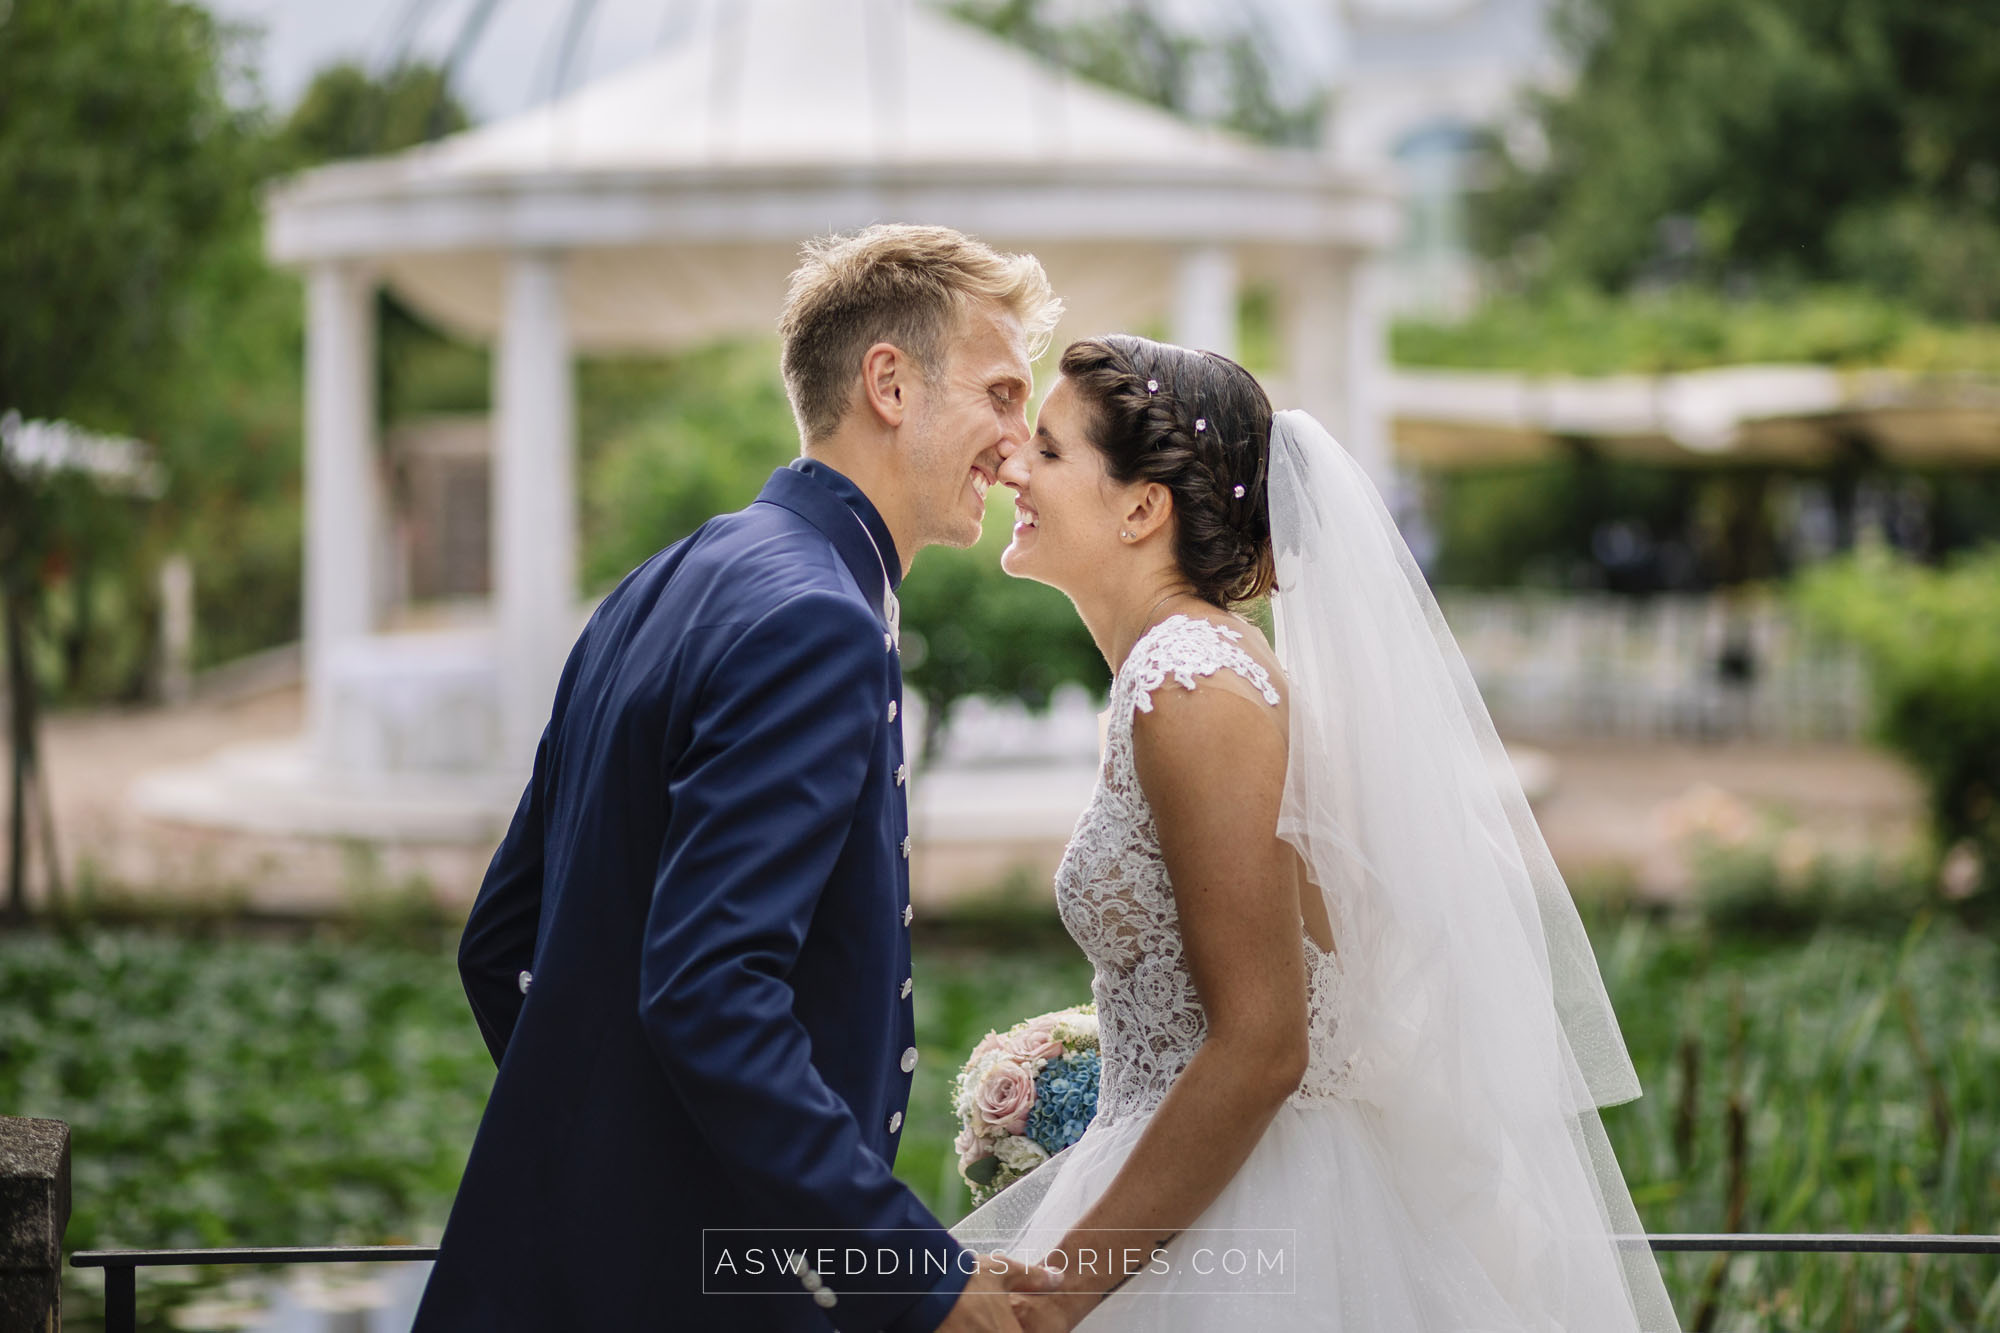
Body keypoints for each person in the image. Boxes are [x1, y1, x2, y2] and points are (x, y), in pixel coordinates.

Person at [954, 334, 1680, 1331]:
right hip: (1212, 1184)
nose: (1008, 466)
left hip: (1259, 1226)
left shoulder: (1191, 683)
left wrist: (1069, 1287)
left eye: (1045, 449)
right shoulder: (1177, 672)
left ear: (1139, 506)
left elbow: (1260, 1044)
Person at [414, 224, 1063, 1332]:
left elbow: (498, 942)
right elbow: (708, 989)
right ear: (889, 385)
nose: (1016, 443)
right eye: (1001, 393)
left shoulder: (662, 579)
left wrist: (606, 1169)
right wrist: (912, 1276)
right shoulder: (817, 619)